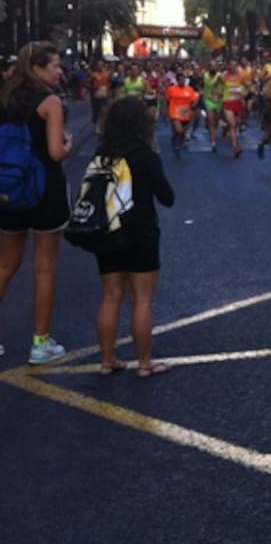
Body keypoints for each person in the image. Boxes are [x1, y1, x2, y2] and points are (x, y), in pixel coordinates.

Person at [91, 96, 175, 377]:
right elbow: (167, 197)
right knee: (142, 299)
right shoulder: (145, 156)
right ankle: (144, 363)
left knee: (110, 296)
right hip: (141, 232)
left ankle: (107, 360)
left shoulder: (101, 155)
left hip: (107, 231)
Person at [0, 42, 72, 364]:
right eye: (54, 65)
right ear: (38, 68)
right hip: (45, 191)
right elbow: (55, 152)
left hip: (9, 187)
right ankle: (41, 343)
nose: (59, 71)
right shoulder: (50, 101)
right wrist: (68, 145)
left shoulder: (5, 97)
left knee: (5, 263)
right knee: (44, 267)